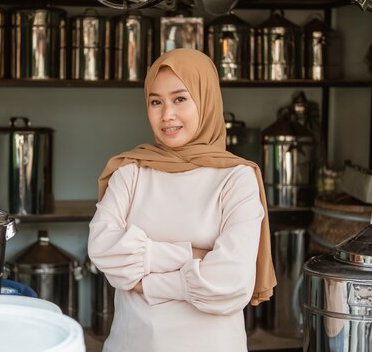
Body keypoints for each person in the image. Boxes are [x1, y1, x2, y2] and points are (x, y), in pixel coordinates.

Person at [88, 48, 277, 352]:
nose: (167, 115)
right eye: (155, 102)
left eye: (180, 99)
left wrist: (146, 281)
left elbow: (232, 282)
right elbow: (103, 252)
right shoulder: (130, 171)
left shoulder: (236, 178)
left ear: (205, 98)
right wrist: (196, 255)